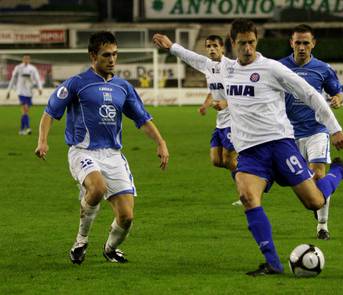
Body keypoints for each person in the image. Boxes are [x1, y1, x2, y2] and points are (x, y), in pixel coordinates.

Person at [153, 19, 343, 276]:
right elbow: (199, 62)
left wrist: (335, 128)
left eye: (252, 43)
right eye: (242, 43)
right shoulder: (226, 69)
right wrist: (172, 47)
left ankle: (340, 170)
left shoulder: (271, 68)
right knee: (247, 197)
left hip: (280, 145)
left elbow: (310, 94)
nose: (247, 48)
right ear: (233, 43)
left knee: (314, 202)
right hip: (250, 153)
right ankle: (273, 263)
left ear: (257, 42)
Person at [35, 31, 169, 265]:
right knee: (97, 188)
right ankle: (80, 241)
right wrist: (42, 141)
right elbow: (49, 113)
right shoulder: (77, 83)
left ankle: (110, 249)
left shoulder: (123, 87)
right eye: (106, 55)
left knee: (126, 217)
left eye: (115, 54)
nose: (112, 60)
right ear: (93, 56)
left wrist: (161, 142)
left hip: (113, 155)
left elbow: (142, 119)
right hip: (83, 151)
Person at [279, 24, 343, 240]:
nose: (302, 47)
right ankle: (339, 173)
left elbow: (337, 91)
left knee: (318, 174)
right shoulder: (279, 67)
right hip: (288, 134)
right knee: (300, 182)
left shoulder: (323, 69)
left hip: (317, 130)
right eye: (297, 42)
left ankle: (322, 226)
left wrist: (337, 99)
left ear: (313, 44)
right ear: (291, 43)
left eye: (306, 43)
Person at [198, 35, 237, 172]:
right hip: (220, 122)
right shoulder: (209, 69)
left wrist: (226, 103)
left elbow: (242, 94)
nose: (212, 49)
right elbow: (212, 92)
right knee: (216, 160)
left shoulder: (232, 68)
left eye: (215, 46)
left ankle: (249, 182)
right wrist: (205, 105)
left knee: (228, 160)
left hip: (233, 121)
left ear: (222, 48)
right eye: (208, 46)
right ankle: (247, 169)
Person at [6, 54, 43, 135]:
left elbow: (37, 78)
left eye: (27, 59)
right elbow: (13, 79)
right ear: (23, 60)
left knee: (25, 111)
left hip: (29, 92)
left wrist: (39, 88)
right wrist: (9, 90)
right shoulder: (18, 68)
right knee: (25, 109)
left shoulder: (32, 68)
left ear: (29, 60)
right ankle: (28, 128)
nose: (26, 60)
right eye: (25, 59)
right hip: (21, 91)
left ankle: (22, 129)